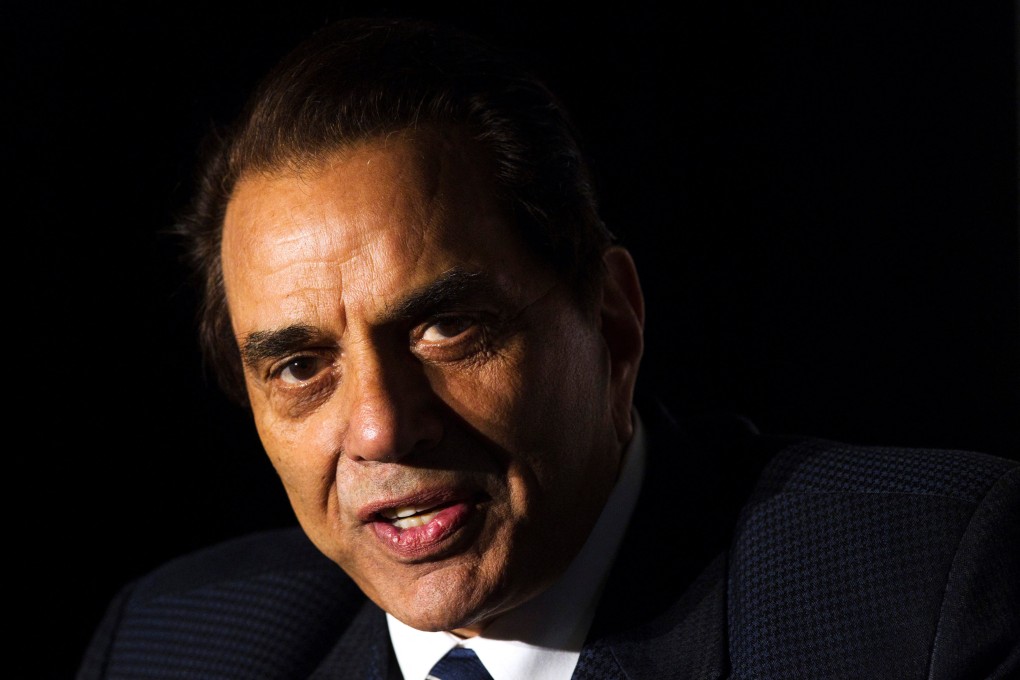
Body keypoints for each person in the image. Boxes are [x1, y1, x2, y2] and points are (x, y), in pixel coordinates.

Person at [77, 16, 1019, 680]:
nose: (379, 429)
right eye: (299, 366)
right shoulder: (168, 646)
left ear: (612, 324)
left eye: (447, 327)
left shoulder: (927, 595)